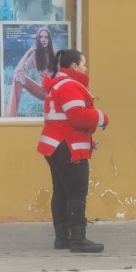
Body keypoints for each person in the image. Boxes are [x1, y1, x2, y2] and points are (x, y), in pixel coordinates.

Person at [37, 49, 108, 253]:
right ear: (74, 66)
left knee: (61, 192)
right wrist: (102, 117)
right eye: (83, 64)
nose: (86, 68)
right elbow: (77, 115)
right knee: (77, 193)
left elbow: (67, 119)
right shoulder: (69, 85)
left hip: (55, 145)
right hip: (67, 147)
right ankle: (78, 239)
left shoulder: (57, 84)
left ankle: (62, 238)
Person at [5, 27, 56, 117]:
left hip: (57, 91)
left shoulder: (55, 53)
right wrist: (28, 52)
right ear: (37, 39)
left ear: (49, 40)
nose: (43, 39)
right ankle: (12, 116)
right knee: (18, 78)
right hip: (43, 91)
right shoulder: (35, 55)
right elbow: (18, 70)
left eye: (46, 37)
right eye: (41, 37)